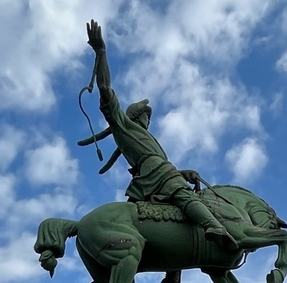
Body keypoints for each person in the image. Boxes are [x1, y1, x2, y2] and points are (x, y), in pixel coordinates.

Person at [84, 20, 238, 248]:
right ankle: (213, 225)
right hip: (157, 174)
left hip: (155, 174)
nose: (148, 120)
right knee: (183, 195)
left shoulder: (146, 138)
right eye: (146, 116)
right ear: (137, 116)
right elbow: (105, 89)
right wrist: (101, 52)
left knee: (174, 203)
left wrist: (183, 172)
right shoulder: (124, 126)